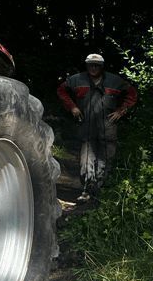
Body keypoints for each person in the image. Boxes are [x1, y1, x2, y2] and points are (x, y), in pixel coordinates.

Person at [57, 53, 138, 200]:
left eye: (97, 65)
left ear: (102, 66)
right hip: (86, 125)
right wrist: (72, 107)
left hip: (108, 126)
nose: (93, 68)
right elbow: (61, 90)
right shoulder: (77, 79)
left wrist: (121, 111)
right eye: (91, 65)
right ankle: (87, 189)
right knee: (86, 158)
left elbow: (132, 93)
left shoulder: (114, 81)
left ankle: (100, 190)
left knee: (105, 158)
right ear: (87, 65)